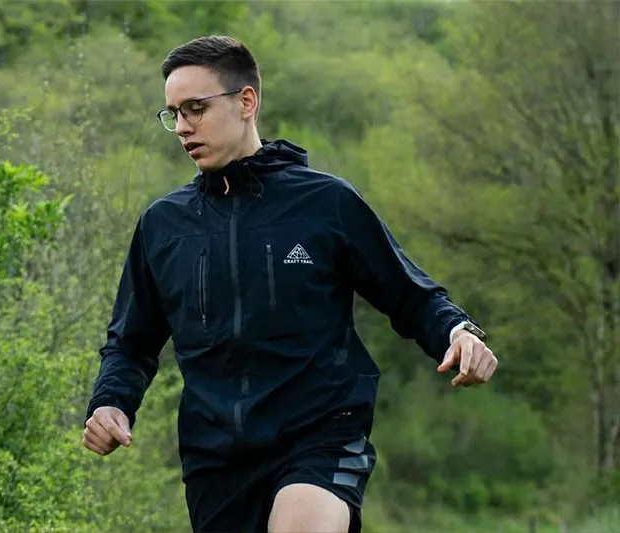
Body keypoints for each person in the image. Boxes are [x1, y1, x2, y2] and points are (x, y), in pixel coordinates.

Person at [82, 35, 498, 533]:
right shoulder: (164, 225)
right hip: (215, 460)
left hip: (319, 436)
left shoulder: (325, 203)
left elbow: (409, 294)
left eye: (195, 108)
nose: (183, 127)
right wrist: (111, 403)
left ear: (246, 102)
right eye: (173, 114)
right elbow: (130, 343)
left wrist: (458, 332)